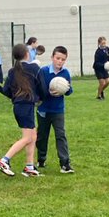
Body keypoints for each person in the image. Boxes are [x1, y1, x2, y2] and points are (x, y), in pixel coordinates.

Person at [0, 43, 43, 178]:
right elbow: (41, 86)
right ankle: (4, 160)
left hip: (20, 106)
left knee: (33, 136)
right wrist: (42, 97)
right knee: (27, 138)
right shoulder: (34, 68)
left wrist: (16, 97)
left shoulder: (12, 71)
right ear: (27, 54)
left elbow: (6, 90)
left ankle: (29, 166)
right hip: (26, 106)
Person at [36, 45, 74, 174]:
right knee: (42, 136)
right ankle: (41, 159)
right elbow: (39, 90)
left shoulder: (65, 73)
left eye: (63, 59)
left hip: (58, 110)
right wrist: (49, 93)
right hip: (43, 109)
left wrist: (65, 89)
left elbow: (69, 91)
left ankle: (65, 164)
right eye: (58, 58)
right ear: (52, 57)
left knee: (61, 135)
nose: (60, 61)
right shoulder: (44, 71)